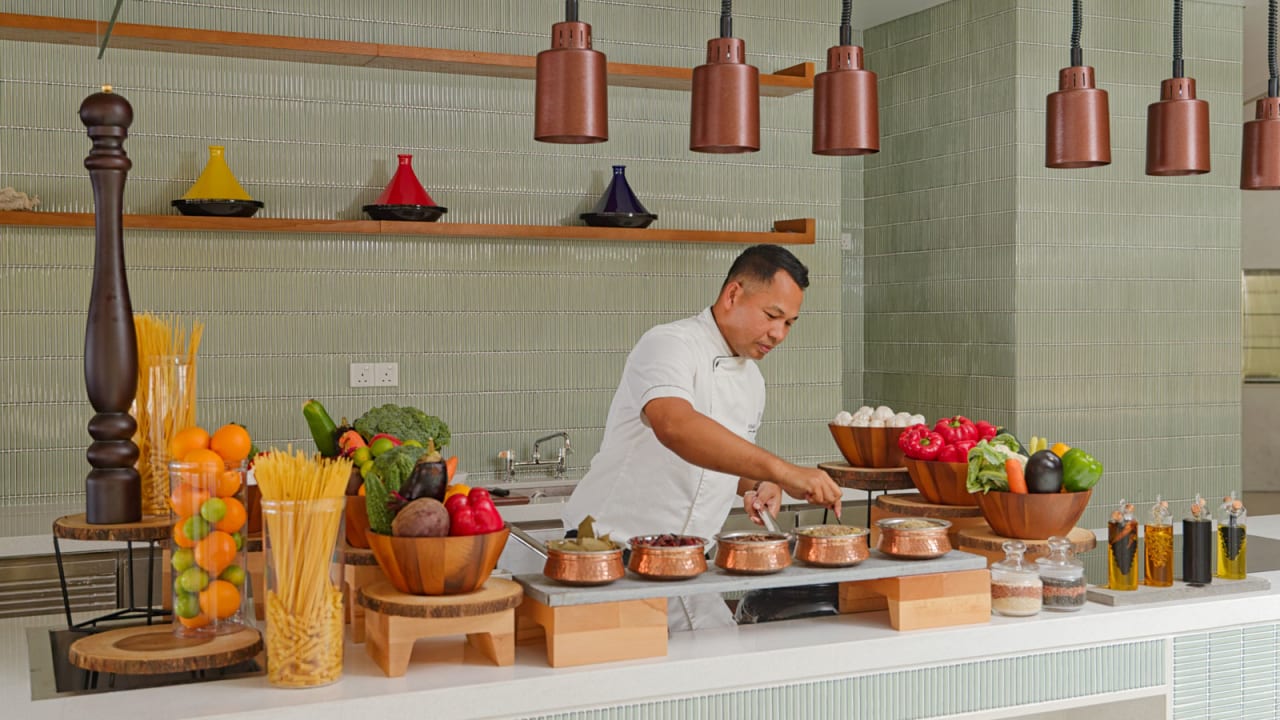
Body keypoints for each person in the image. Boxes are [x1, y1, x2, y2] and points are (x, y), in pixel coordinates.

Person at [561, 244, 844, 631]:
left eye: (790, 323)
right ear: (733, 294)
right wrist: (783, 471)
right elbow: (676, 427)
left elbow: (719, 459)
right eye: (771, 316)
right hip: (610, 558)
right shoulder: (669, 344)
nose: (779, 334)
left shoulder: (753, 381)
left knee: (725, 660)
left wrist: (758, 483)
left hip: (689, 565)